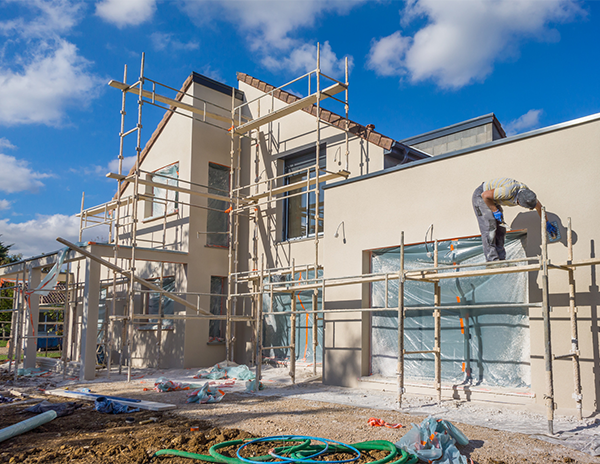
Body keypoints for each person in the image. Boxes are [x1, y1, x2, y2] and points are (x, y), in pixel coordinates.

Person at [472, 178, 558, 262]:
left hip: (493, 199)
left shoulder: (528, 195)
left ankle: (500, 260)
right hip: (481, 196)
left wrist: (546, 222)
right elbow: (485, 195)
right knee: (490, 227)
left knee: (501, 229)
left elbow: (539, 208)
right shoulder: (508, 192)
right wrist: (495, 211)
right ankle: (491, 261)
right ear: (519, 201)